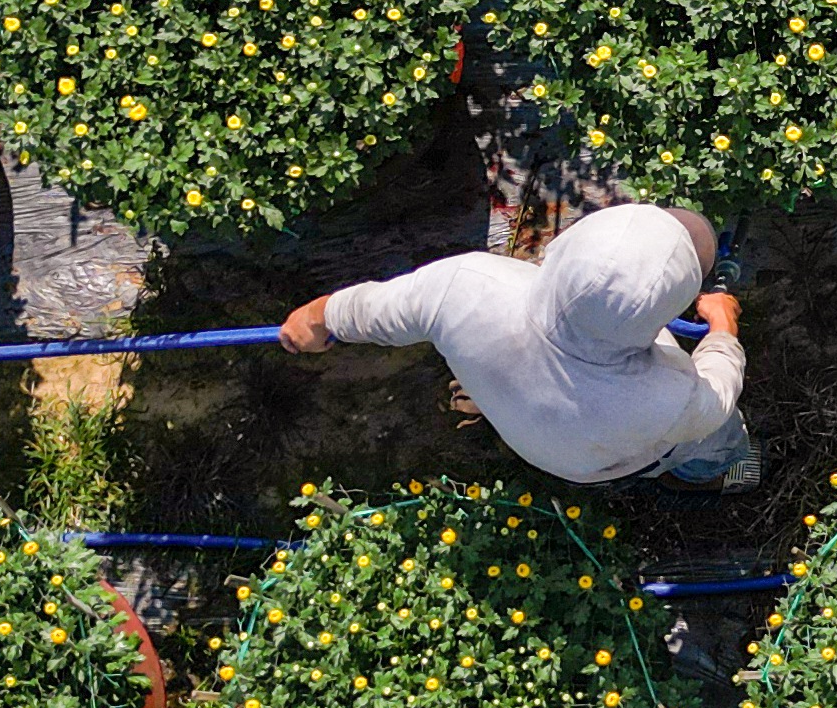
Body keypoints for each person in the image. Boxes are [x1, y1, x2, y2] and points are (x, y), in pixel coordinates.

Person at [280, 203, 759, 492]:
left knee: (498, 372)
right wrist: (721, 328)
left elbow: (369, 310)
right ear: (666, 312)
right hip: (595, 463)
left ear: (566, 247)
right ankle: (714, 473)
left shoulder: (462, 285)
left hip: (531, 434)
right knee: (715, 438)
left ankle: (493, 394)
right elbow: (717, 397)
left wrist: (317, 317)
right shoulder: (667, 396)